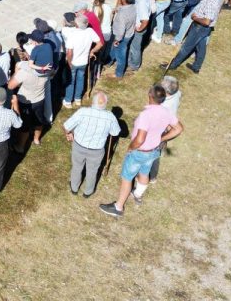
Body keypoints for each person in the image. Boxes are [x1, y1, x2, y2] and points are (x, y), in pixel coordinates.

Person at [99, 85, 183, 218]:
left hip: (140, 151)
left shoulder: (146, 115)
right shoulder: (167, 112)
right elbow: (178, 129)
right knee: (144, 172)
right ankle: (137, 194)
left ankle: (118, 207)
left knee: (127, 178)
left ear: (150, 95)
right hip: (154, 150)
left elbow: (140, 139)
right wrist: (161, 138)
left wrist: (131, 147)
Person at [63, 91, 120, 197]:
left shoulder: (83, 112)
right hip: (97, 150)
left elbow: (67, 126)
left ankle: (74, 188)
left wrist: (69, 134)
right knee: (92, 171)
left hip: (79, 146)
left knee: (76, 167)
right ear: (105, 104)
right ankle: (88, 192)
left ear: (92, 102)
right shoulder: (110, 117)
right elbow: (115, 132)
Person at [163, 0, 222, 74]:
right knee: (201, 47)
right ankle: (196, 67)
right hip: (205, 30)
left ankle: (172, 65)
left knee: (186, 47)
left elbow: (206, 22)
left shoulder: (211, 3)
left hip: (200, 27)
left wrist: (195, 17)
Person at [62, 14, 102, 108]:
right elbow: (99, 44)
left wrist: (69, 63)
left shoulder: (72, 34)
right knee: (80, 80)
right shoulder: (90, 31)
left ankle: (68, 101)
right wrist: (92, 51)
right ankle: (78, 99)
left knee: (71, 81)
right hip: (84, 62)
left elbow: (69, 52)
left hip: (73, 62)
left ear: (76, 24)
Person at [108, 0, 138, 79]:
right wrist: (118, 3)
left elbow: (120, 32)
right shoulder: (133, 6)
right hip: (129, 33)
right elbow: (120, 8)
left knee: (121, 56)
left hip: (121, 38)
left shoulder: (122, 15)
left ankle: (118, 74)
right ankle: (109, 62)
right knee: (114, 49)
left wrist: (117, 40)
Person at [127, 0, 150, 73]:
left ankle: (134, 65)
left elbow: (145, 20)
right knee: (133, 46)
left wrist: (139, 29)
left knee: (135, 47)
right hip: (136, 26)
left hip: (138, 28)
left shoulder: (141, 3)